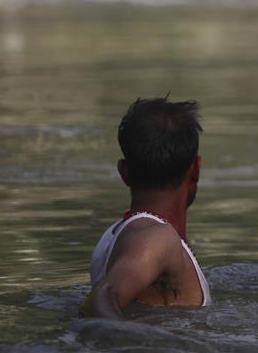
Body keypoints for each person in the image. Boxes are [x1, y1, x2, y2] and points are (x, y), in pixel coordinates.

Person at [81, 97, 211, 319]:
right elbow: (101, 299)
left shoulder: (113, 236)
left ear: (124, 172)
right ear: (196, 169)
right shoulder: (157, 239)